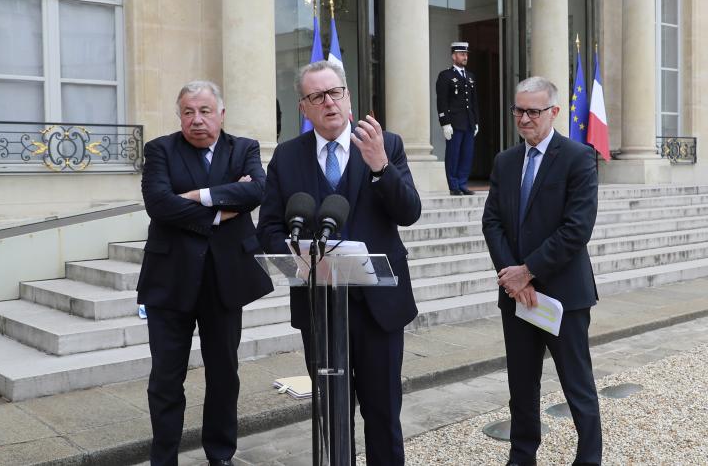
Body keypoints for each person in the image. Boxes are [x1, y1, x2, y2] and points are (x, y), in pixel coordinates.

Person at [256, 59, 421, 465]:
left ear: (348, 96)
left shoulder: (386, 144)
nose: (328, 103)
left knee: (383, 414)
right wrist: (302, 258)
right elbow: (270, 228)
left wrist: (381, 164)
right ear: (303, 107)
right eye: (317, 96)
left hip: (379, 308)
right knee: (332, 413)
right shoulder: (287, 157)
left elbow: (409, 211)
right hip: (320, 308)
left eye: (335, 93)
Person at [137, 80, 273, 466]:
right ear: (179, 116)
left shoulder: (244, 148)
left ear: (221, 114)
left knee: (224, 374)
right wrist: (224, 206)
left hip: (225, 279)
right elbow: (159, 205)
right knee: (165, 379)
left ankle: (221, 454)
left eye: (205, 111)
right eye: (188, 112)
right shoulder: (160, 149)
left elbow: (257, 192)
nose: (196, 120)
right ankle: (164, 459)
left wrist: (197, 197)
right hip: (169, 279)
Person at [482, 77, 602, 466]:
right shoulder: (504, 161)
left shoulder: (578, 157)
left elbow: (576, 228)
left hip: (563, 294)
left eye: (533, 111)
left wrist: (528, 271)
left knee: (577, 384)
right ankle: (521, 457)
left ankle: (588, 458)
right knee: (522, 385)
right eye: (518, 110)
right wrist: (512, 277)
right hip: (516, 297)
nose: (524, 118)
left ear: (553, 112)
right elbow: (493, 223)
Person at [435, 41, 479, 195]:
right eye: (462, 54)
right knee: (453, 154)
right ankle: (453, 185)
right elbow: (442, 101)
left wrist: (476, 122)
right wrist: (445, 123)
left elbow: (474, 102)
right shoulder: (445, 76)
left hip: (468, 122)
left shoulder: (470, 76)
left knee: (467, 154)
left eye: (466, 54)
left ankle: (462, 183)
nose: (465, 56)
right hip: (454, 123)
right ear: (454, 56)